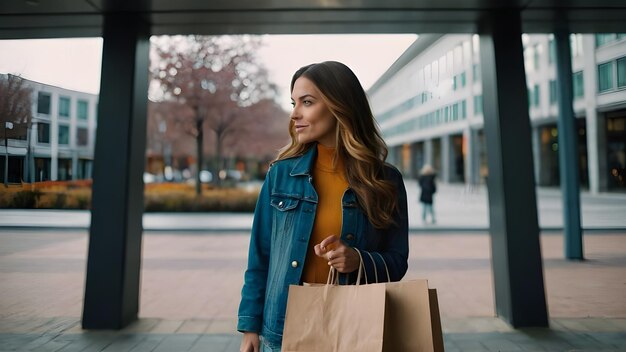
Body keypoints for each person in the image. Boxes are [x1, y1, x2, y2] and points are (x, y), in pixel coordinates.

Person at [237, 61, 409, 352]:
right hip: (283, 329)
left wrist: (358, 260)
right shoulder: (280, 176)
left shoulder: (384, 180)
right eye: (294, 103)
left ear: (339, 105)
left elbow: (397, 261)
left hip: (356, 330)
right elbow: (260, 258)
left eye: (307, 102)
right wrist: (249, 328)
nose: (294, 114)